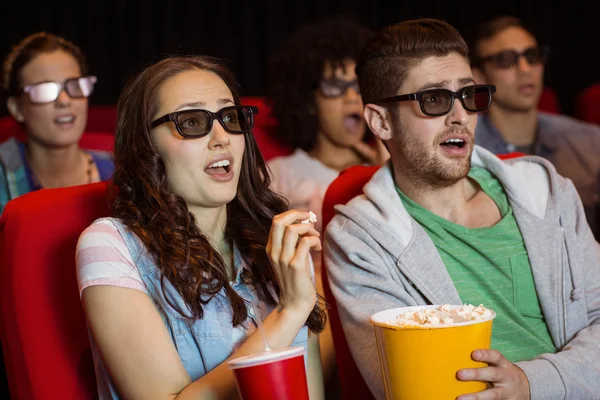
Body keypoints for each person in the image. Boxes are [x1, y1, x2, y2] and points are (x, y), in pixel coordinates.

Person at [324, 18, 600, 400]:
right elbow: (413, 387)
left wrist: (531, 383)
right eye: (434, 100)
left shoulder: (548, 191)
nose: (460, 117)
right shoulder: (359, 240)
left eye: (468, 96)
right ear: (381, 121)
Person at [76, 56, 326, 399]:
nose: (221, 137)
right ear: (146, 146)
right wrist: (289, 311)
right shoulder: (111, 245)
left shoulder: (275, 243)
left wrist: (299, 303)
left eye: (229, 117)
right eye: (191, 122)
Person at [470, 16, 600, 239]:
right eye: (506, 59)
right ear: (479, 75)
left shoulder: (591, 143)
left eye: (532, 56)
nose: (525, 69)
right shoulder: (468, 152)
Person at [267, 17, 386, 236]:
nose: (351, 97)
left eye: (359, 86)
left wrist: (386, 174)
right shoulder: (277, 175)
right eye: (335, 86)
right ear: (309, 102)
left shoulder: (388, 167)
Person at [0, 32, 114, 213]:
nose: (64, 100)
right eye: (44, 90)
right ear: (16, 108)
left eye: (74, 85)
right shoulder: (5, 176)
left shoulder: (119, 171)